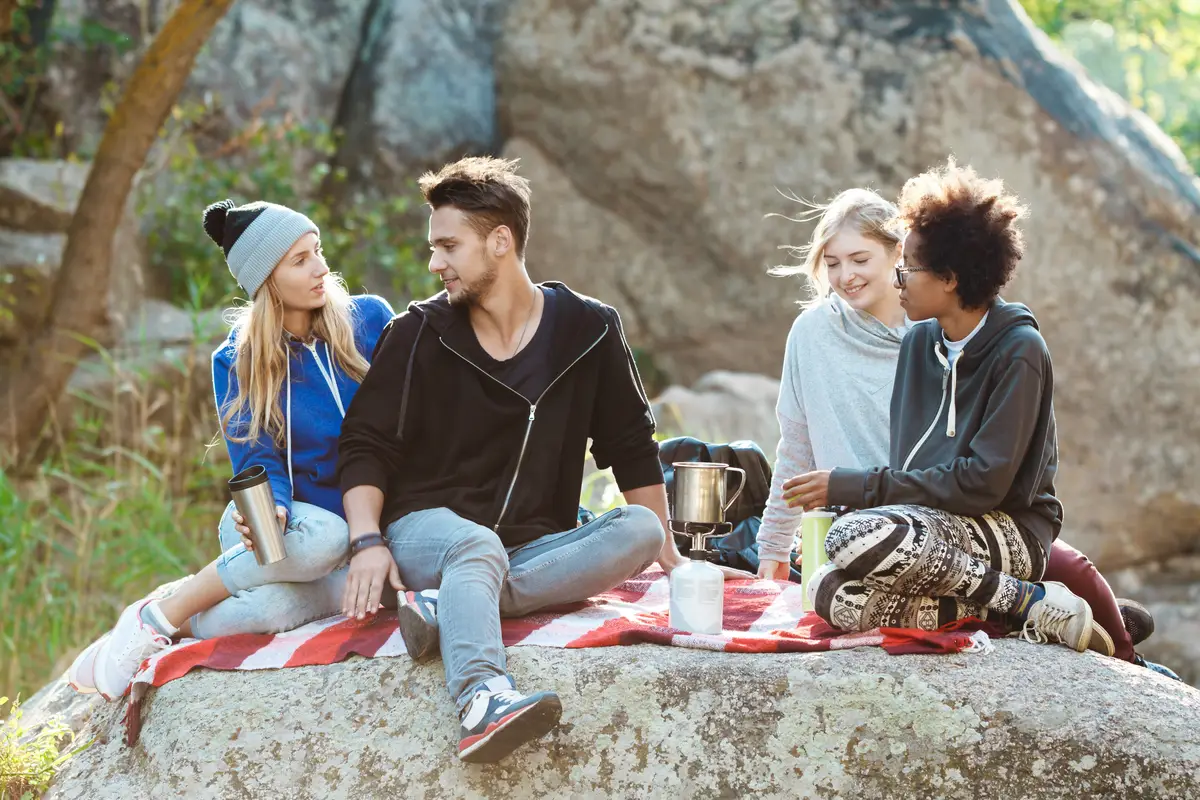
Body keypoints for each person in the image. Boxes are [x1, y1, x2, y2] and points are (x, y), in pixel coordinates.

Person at [336, 156, 749, 765]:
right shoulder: (420, 331)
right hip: (426, 527)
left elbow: (630, 446)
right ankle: (481, 697)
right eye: (434, 247)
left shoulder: (590, 330)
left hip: (534, 544)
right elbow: (365, 445)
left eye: (449, 245)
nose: (434, 263)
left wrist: (669, 559)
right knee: (473, 547)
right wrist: (367, 540)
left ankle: (446, 606)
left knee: (638, 527)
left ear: (500, 241)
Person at [755, 186, 1168, 672]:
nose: (896, 278)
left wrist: (857, 489)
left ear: (948, 278)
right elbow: (891, 461)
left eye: (902, 266)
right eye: (833, 262)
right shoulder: (920, 343)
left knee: (851, 536)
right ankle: (1020, 614)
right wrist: (778, 546)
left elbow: (981, 484)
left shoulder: (1019, 352)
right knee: (830, 593)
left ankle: (1039, 605)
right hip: (920, 526)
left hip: (1000, 526)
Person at [67, 199, 394, 700]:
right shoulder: (236, 359)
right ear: (266, 280)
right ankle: (156, 617)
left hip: (359, 535)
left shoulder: (368, 320)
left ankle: (160, 625)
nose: (322, 268)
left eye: (318, 250)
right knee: (325, 536)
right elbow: (256, 460)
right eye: (300, 259)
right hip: (293, 530)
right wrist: (274, 510)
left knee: (270, 613)